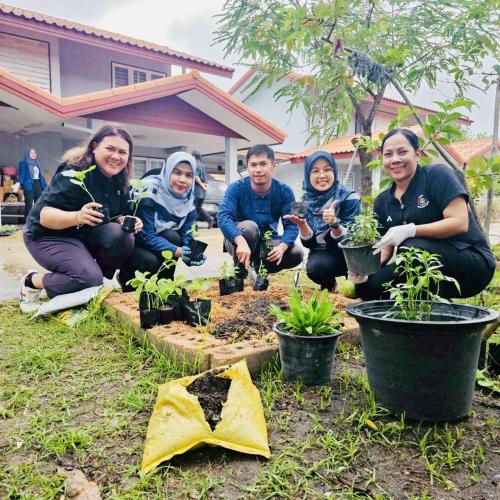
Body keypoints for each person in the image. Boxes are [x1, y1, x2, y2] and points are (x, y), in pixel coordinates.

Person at [355, 128, 495, 300]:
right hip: (418, 260)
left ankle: (428, 311)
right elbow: (385, 247)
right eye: (388, 154)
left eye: (402, 152)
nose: (395, 159)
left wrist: (411, 230)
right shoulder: (383, 201)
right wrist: (364, 271)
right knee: (366, 287)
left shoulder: (437, 176)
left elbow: (460, 222)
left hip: (471, 265)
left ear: (417, 154)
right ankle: (426, 306)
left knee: (411, 247)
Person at [20, 124, 142, 313]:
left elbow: (120, 214)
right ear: (94, 147)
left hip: (82, 234)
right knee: (88, 279)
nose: (116, 156)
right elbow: (45, 216)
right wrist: (78, 216)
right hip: (47, 234)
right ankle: (31, 281)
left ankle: (86, 277)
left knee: (124, 236)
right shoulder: (75, 172)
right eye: (110, 148)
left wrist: (127, 220)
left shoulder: (120, 178)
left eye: (122, 152)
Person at [119, 152, 206, 289]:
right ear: (167, 171)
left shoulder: (189, 199)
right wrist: (176, 251)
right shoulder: (149, 192)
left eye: (189, 175)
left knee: (173, 237)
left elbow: (186, 235)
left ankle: (166, 284)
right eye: (177, 173)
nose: (183, 180)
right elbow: (144, 235)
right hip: (135, 241)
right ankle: (127, 281)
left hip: (158, 241)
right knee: (150, 261)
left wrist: (193, 254)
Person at [218, 144, 303, 274]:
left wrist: (282, 246)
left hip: (268, 240)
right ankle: (240, 273)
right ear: (248, 167)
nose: (258, 170)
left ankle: (259, 270)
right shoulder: (235, 188)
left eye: (263, 164)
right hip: (239, 240)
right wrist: (240, 241)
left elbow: (292, 225)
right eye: (253, 165)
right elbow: (223, 217)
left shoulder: (285, 191)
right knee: (249, 227)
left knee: (296, 253)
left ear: (274, 166)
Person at [285, 151, 361, 291]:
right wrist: (302, 224)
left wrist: (334, 224)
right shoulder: (305, 202)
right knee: (316, 268)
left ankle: (353, 280)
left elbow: (353, 237)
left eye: (327, 169)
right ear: (308, 175)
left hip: (349, 253)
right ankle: (330, 284)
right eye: (315, 171)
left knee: (360, 286)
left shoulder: (348, 197)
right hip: (324, 252)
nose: (322, 175)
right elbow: (310, 244)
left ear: (334, 172)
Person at [18, 148, 48, 220]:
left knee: (38, 203)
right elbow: (22, 174)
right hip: (29, 184)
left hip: (38, 184)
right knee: (29, 204)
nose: (34, 154)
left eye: (35, 153)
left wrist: (46, 185)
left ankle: (37, 221)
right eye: (31, 153)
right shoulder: (23, 163)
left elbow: (41, 176)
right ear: (28, 154)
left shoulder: (38, 163)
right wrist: (19, 183)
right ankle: (27, 221)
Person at [192, 150, 215, 228]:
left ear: (193, 156)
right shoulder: (202, 165)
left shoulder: (194, 164)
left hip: (196, 190)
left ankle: (194, 226)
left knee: (193, 208)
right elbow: (206, 178)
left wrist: (201, 185)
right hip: (203, 191)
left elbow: (196, 177)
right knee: (198, 208)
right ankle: (209, 219)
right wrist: (204, 186)